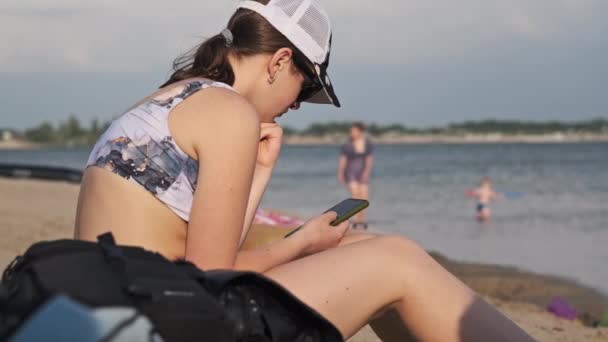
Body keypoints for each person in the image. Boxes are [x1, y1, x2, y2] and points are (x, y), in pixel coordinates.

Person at [74, 0, 533, 340]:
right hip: (163, 324)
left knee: (365, 245)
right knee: (398, 259)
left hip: (118, 316)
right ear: (279, 62)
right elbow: (211, 274)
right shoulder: (226, 111)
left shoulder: (167, 99)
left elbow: (203, 255)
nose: (296, 104)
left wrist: (258, 175)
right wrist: (301, 242)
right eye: (305, 85)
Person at [337, 122, 373, 229]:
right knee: (355, 195)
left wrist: (366, 172)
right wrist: (340, 173)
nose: (352, 133)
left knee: (364, 197)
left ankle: (362, 219)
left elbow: (369, 160)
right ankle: (356, 219)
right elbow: (343, 160)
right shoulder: (347, 145)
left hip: (362, 172)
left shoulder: (367, 144)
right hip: (350, 172)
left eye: (354, 131)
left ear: (360, 131)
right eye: (351, 131)